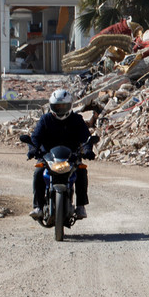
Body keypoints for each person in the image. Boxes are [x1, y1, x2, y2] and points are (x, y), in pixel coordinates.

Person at [27, 89, 95, 220]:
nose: (60, 108)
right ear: (52, 106)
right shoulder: (45, 119)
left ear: (69, 106)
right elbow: (35, 137)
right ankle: (38, 207)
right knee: (38, 172)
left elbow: (86, 138)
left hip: (71, 156)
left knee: (81, 171)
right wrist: (32, 149)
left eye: (63, 105)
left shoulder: (76, 120)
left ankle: (81, 206)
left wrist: (87, 150)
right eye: (57, 106)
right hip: (48, 157)